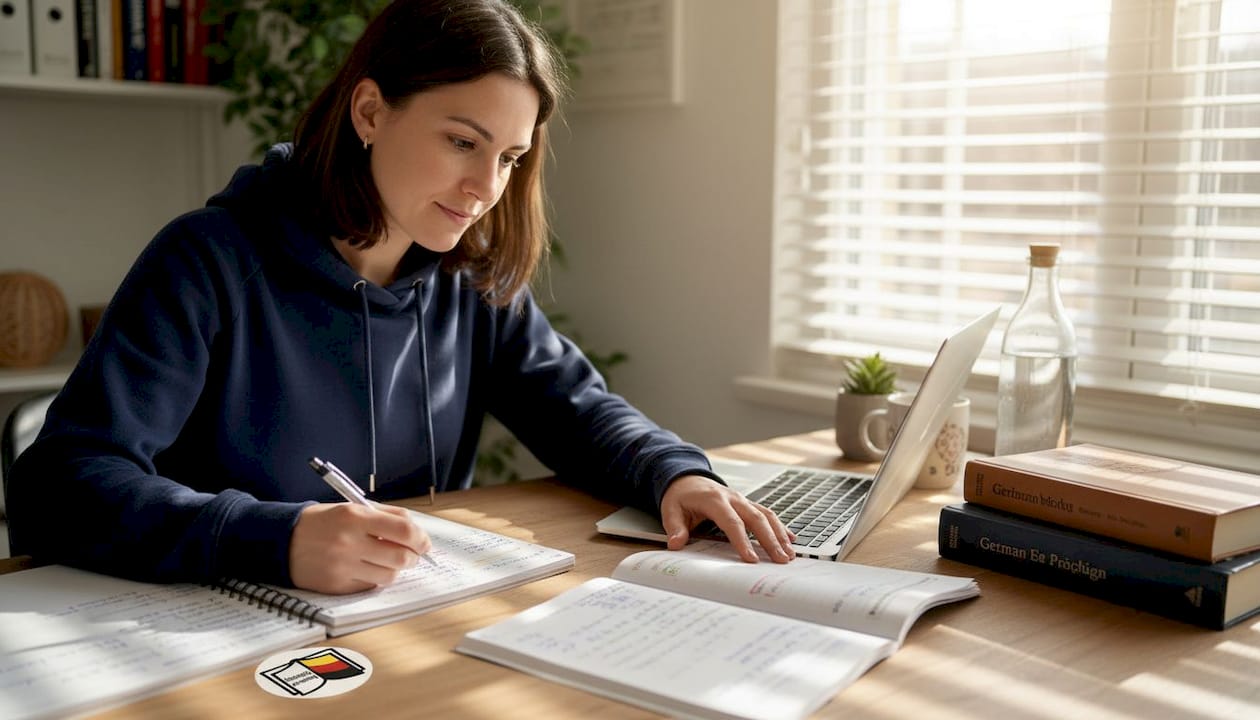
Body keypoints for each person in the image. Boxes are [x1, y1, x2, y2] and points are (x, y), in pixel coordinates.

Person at [7, 0, 793, 595]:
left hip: (402, 613)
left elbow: (580, 411)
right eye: (462, 141)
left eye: (510, 158)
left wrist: (677, 476)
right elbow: (60, 486)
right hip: (229, 629)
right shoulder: (209, 260)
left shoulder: (469, 281)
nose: (486, 189)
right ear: (372, 111)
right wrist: (273, 538)